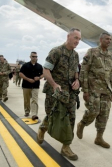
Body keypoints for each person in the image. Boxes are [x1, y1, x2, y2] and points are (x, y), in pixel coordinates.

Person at [37, 28, 81, 161]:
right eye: (75, 38)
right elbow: (46, 70)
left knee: (71, 118)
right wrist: (54, 85)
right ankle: (43, 128)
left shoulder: (75, 55)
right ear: (68, 36)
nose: (77, 41)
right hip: (55, 92)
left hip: (70, 93)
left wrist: (77, 80)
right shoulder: (56, 51)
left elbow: (76, 70)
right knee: (52, 115)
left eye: (79, 39)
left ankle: (66, 147)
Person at [76, 32, 112, 149]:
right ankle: (82, 123)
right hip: (93, 89)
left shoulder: (110, 55)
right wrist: (85, 90)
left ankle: (99, 138)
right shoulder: (92, 52)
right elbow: (84, 71)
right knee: (94, 111)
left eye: (110, 39)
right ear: (101, 39)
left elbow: (111, 74)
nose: (109, 41)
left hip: (106, 90)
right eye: (107, 39)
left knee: (104, 114)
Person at [19, 52, 43, 120]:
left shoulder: (39, 66)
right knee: (27, 100)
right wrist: (27, 79)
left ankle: (34, 114)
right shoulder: (25, 65)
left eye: (36, 56)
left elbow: (42, 74)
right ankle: (27, 111)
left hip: (35, 85)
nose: (34, 58)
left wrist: (39, 78)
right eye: (33, 56)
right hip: (26, 85)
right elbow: (20, 74)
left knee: (34, 100)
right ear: (30, 57)